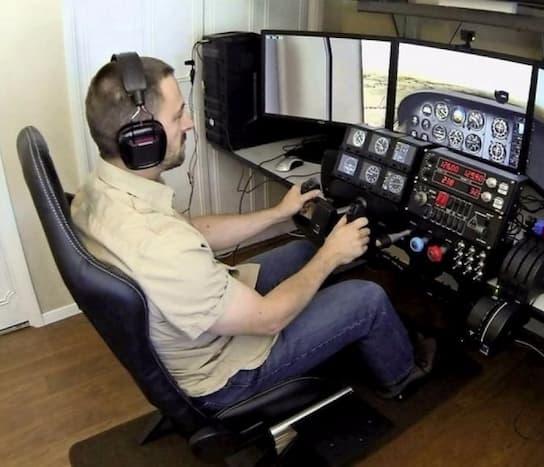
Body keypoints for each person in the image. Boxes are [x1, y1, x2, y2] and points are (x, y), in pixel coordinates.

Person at [71, 54, 434, 412]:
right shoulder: (160, 246)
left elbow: (192, 230)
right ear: (142, 138)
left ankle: (343, 332)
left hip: (194, 331)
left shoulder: (101, 192)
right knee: (366, 299)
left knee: (302, 254)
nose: (191, 124)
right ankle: (402, 374)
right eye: (178, 114)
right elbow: (267, 319)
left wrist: (279, 214)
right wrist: (332, 255)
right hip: (223, 374)